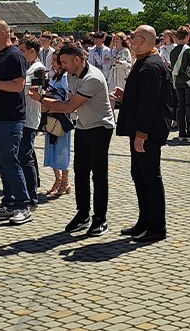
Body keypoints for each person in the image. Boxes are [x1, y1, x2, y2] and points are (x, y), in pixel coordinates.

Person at [41, 43, 116, 237]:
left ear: (77, 59)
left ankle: (100, 218)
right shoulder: (72, 75)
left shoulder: (93, 78)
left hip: (100, 128)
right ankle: (82, 214)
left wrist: (43, 102)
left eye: (65, 62)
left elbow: (69, 107)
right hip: (83, 127)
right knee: (80, 172)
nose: (62, 66)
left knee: (99, 175)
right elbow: (71, 104)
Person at [111, 25, 170, 242]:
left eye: (133, 37)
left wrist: (142, 134)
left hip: (148, 132)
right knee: (139, 175)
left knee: (150, 177)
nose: (130, 39)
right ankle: (144, 221)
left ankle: (157, 228)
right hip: (140, 129)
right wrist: (126, 96)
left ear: (143, 40)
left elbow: (150, 103)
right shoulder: (144, 61)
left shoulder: (151, 66)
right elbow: (143, 96)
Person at [0, 21, 31, 225]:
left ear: (4, 33)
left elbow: (19, 85)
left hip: (9, 119)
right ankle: (9, 202)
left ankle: (23, 204)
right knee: (1, 163)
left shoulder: (15, 55)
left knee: (10, 161)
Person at [18, 36, 45, 205]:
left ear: (32, 51)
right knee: (28, 153)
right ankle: (33, 185)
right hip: (22, 115)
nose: (20, 54)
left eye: (22, 51)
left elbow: (33, 89)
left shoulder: (39, 69)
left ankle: (31, 194)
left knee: (25, 156)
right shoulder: (27, 66)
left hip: (30, 116)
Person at [41, 53, 71, 197]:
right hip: (51, 116)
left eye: (56, 61)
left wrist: (51, 95)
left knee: (62, 150)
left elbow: (67, 97)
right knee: (52, 149)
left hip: (61, 117)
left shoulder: (65, 78)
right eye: (52, 60)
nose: (53, 63)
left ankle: (65, 181)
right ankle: (57, 179)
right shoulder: (53, 76)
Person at [169, 28, 190, 139]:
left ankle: (181, 130)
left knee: (181, 106)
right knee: (189, 105)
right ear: (187, 36)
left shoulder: (173, 51)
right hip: (189, 82)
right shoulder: (189, 51)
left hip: (178, 81)